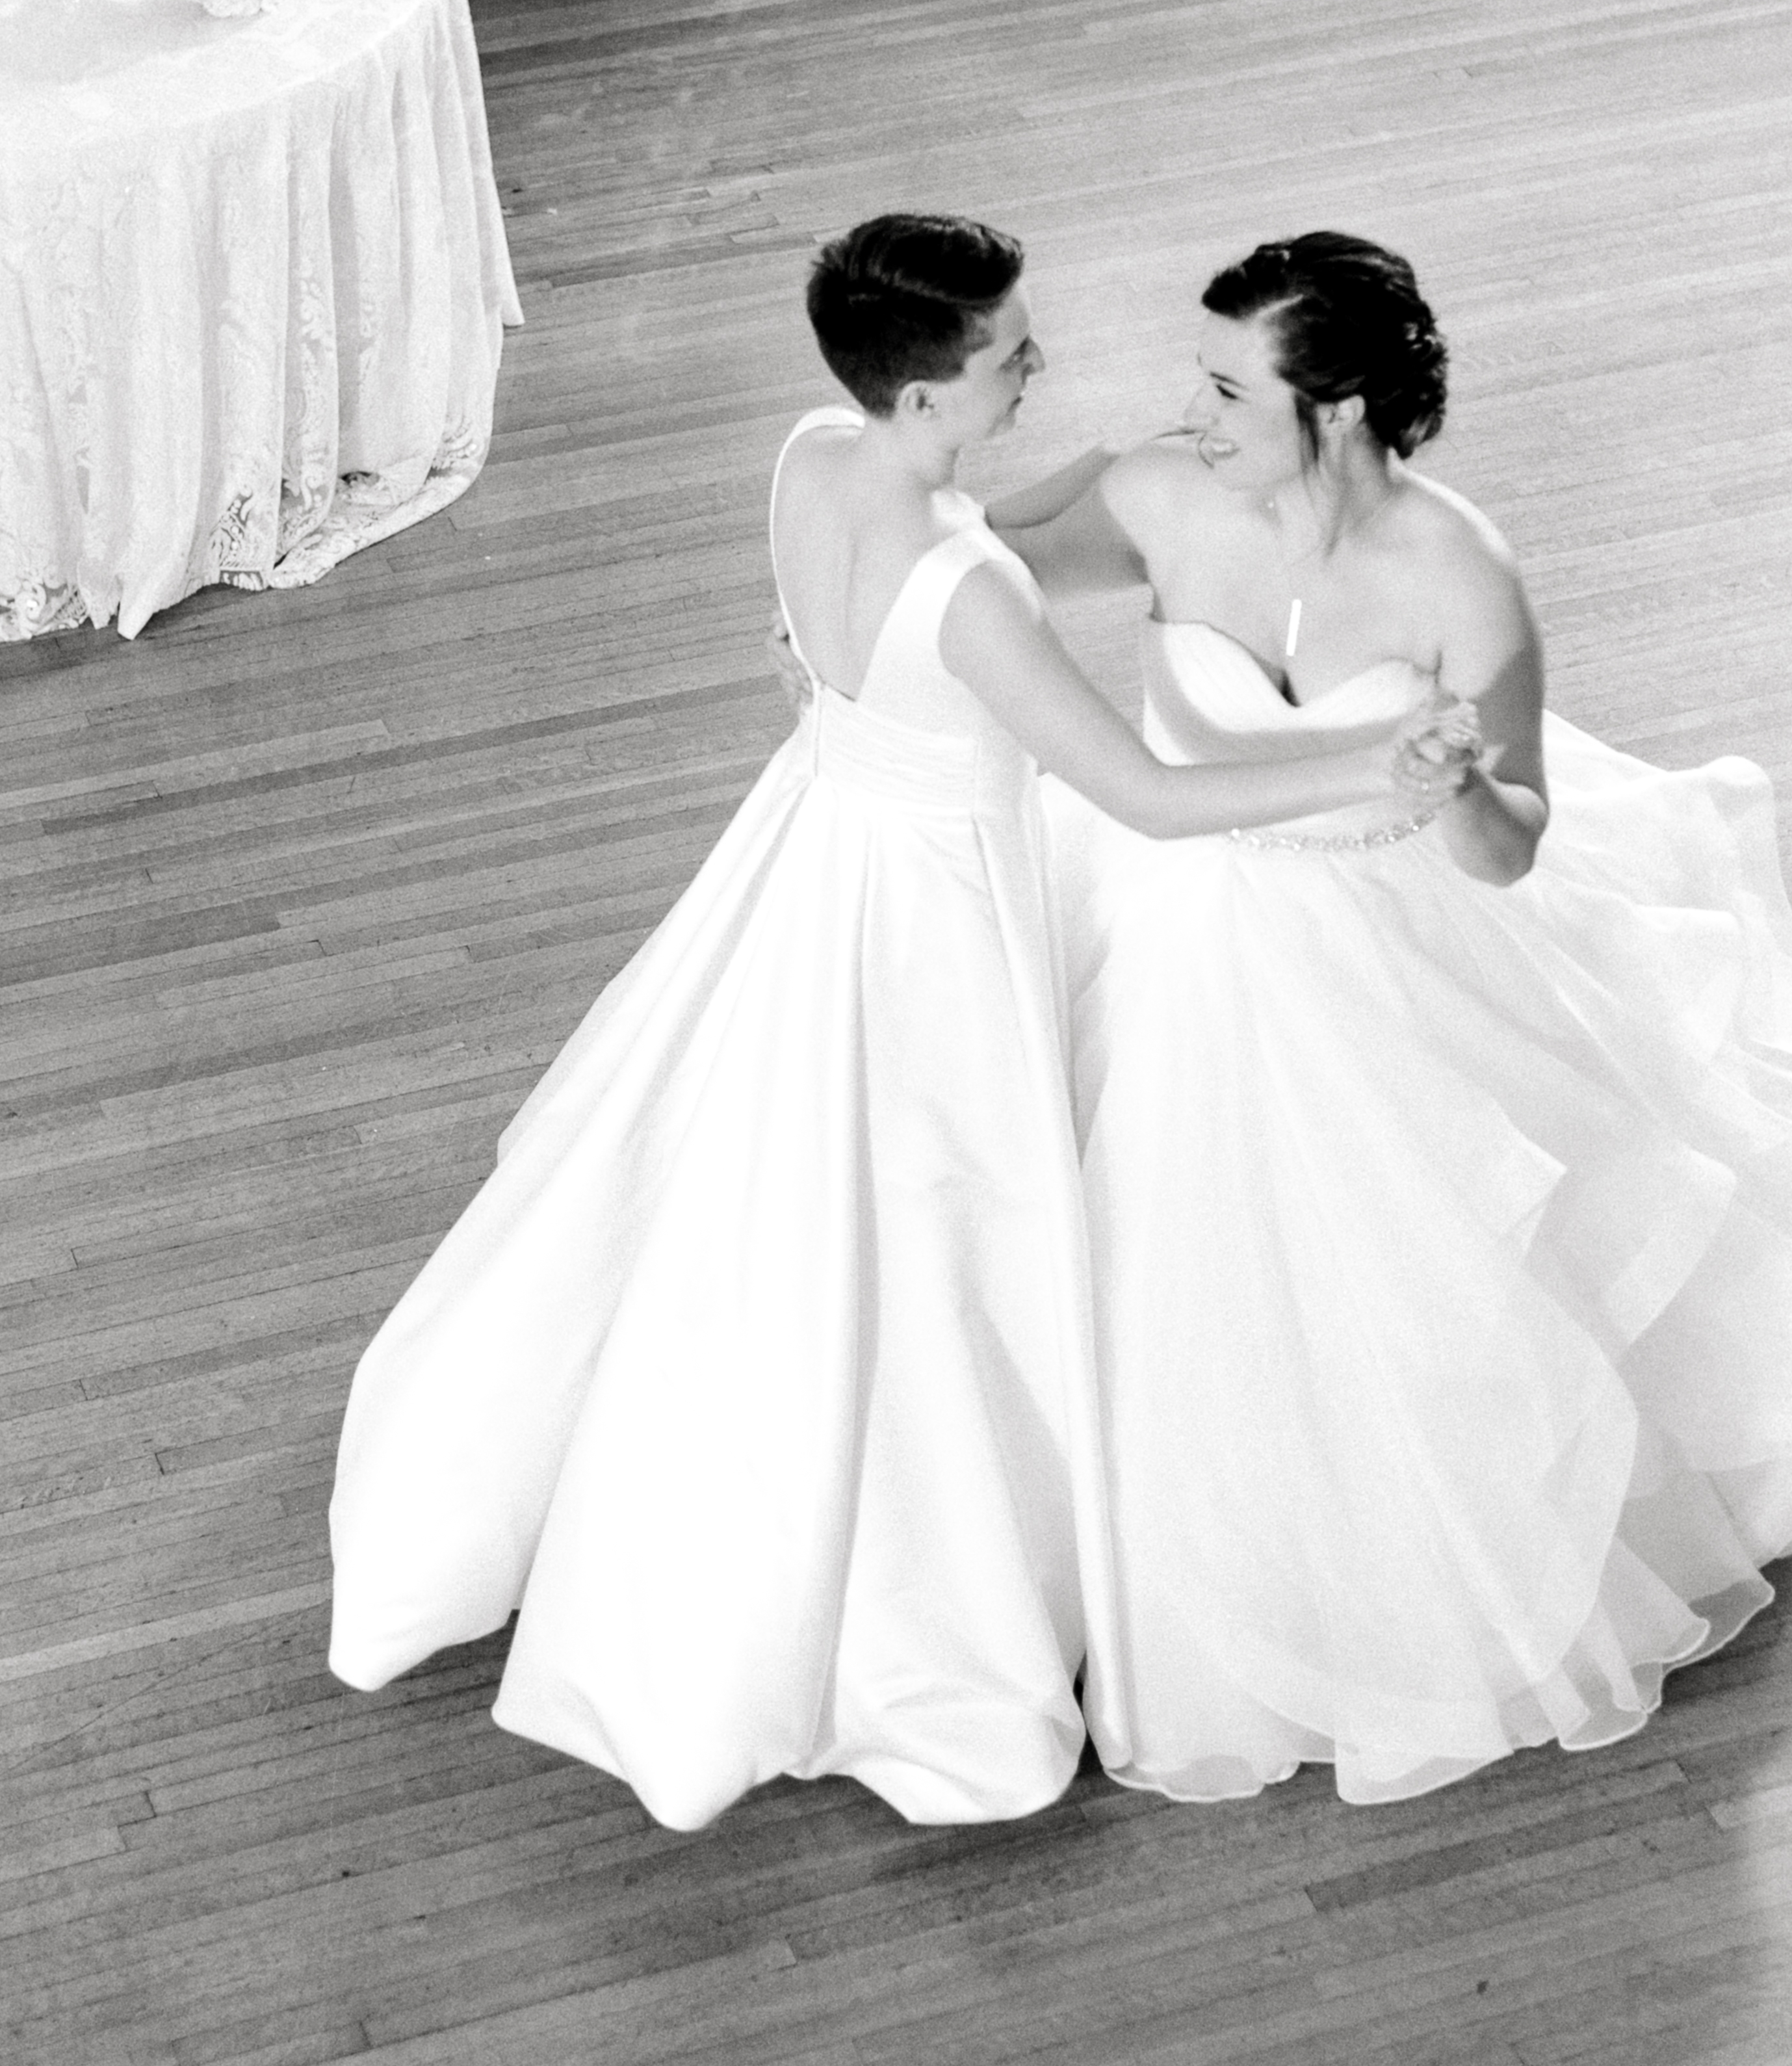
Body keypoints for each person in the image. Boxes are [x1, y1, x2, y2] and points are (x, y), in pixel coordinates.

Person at [324, 215, 1477, 1832]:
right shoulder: (970, 592)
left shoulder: (812, 457)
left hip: (816, 843)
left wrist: (1089, 468)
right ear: (932, 390)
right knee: (925, 1226)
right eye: (1013, 355)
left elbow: (836, 622)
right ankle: (915, 1608)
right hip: (927, 910)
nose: (1036, 367)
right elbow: (1144, 794)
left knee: (742, 1177)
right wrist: (1372, 766)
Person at [992, 231, 1792, 1805]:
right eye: (1203, 376)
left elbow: (1512, 844)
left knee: (1421, 1283)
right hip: (1174, 923)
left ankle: (1381, 1574)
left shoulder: (1455, 570)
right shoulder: (1161, 496)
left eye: (1232, 385)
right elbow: (974, 586)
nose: (1198, 408)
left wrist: (1448, 794)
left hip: (1393, 945)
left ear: (1346, 404)